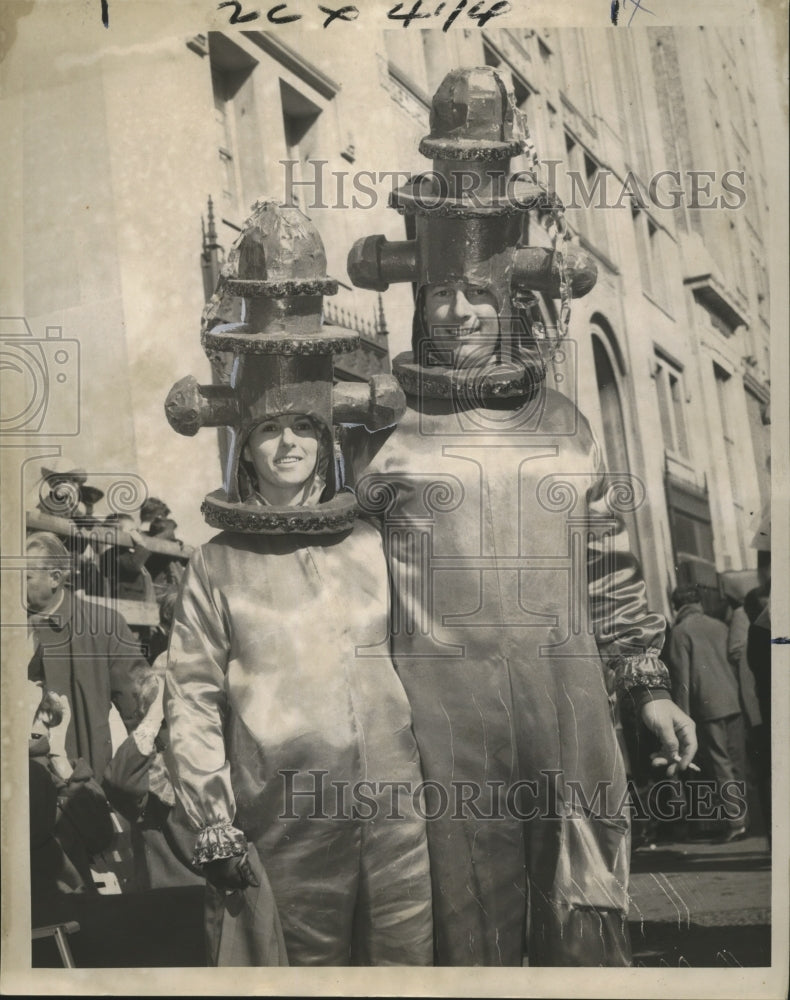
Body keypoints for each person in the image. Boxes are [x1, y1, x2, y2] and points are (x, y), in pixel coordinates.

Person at [343, 66, 697, 967]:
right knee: (470, 932)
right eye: (441, 297)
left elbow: (610, 566)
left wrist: (648, 687)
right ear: (418, 303)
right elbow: (340, 592)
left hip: (567, 713)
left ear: (511, 306)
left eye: (479, 298)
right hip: (439, 728)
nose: (459, 312)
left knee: (583, 920)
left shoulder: (564, 424)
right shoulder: (385, 432)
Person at [163, 200, 433, 967]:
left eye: (306, 429)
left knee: (405, 968)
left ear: (327, 443)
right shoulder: (217, 563)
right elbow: (190, 697)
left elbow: (428, 662)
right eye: (272, 430)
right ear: (244, 448)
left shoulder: (373, 544)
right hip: (282, 819)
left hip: (395, 814)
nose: (290, 445)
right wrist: (211, 813)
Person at [26, 531, 151, 779]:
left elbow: (143, 709)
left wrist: (129, 786)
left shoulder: (105, 625)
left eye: (25, 577)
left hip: (76, 783)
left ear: (55, 578)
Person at [667, 585, 749, 842]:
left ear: (676, 606)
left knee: (720, 763)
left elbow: (681, 679)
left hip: (707, 706)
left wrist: (682, 718)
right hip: (733, 700)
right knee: (737, 761)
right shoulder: (719, 626)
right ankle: (745, 817)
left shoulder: (680, 632)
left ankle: (736, 822)